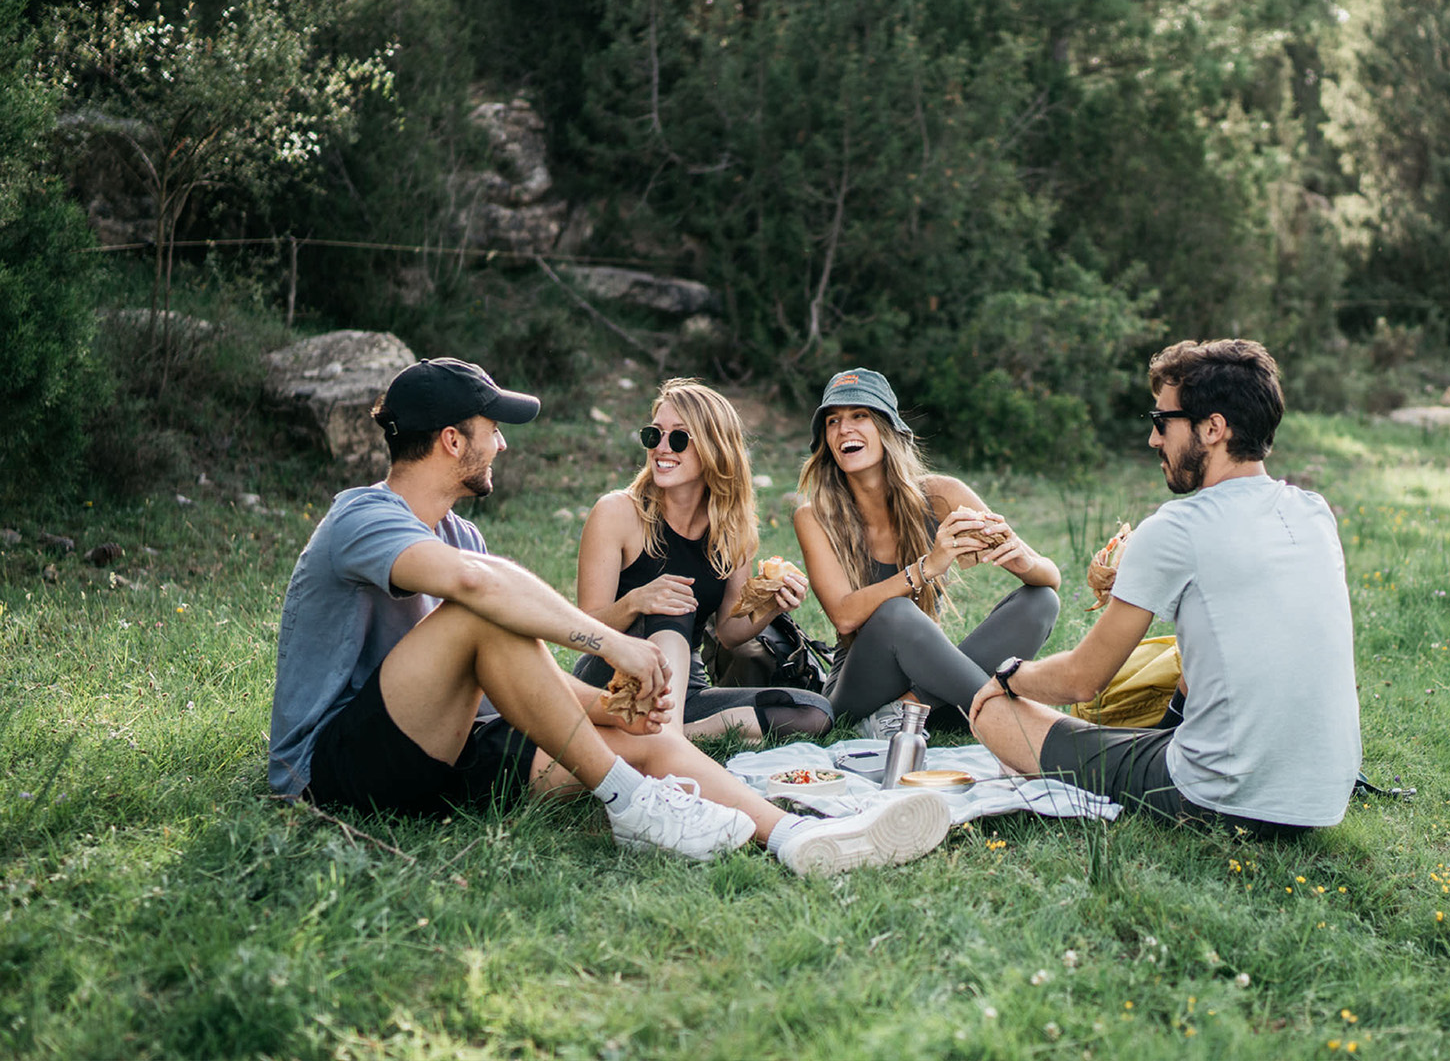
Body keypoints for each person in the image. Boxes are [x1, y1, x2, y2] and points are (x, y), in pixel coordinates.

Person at [267, 357, 950, 873]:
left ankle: (802, 836)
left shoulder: (460, 534)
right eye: (492, 430)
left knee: (644, 737)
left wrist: (612, 709)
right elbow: (481, 592)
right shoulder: (363, 518)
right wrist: (614, 643)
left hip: (450, 754)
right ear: (451, 440)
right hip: (336, 769)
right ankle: (631, 802)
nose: (501, 444)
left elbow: (503, 669)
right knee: (486, 610)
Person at [968, 339, 1360, 834]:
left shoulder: (1178, 527)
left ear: (1212, 428)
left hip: (1220, 800)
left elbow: (1081, 680)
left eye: (1162, 421)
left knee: (994, 714)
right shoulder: (1313, 512)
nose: (1154, 439)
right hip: (1323, 798)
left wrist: (1009, 675)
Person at [792, 367, 1061, 736]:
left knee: (1041, 601)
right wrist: (926, 567)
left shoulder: (940, 495)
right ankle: (1022, 727)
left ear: (888, 429)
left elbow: (1051, 578)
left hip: (931, 689)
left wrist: (1023, 560)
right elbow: (844, 616)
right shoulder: (814, 517)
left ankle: (913, 710)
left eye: (860, 416)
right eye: (832, 421)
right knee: (896, 613)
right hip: (859, 693)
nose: (843, 429)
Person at [573, 378, 832, 742]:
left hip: (683, 693)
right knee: (672, 602)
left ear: (714, 448)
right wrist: (636, 602)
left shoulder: (733, 529)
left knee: (813, 710)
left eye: (679, 438)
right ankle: (663, 741)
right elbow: (583, 630)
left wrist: (771, 604)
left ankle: (672, 735)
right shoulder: (617, 512)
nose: (661, 447)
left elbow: (728, 633)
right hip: (611, 681)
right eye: (654, 435)